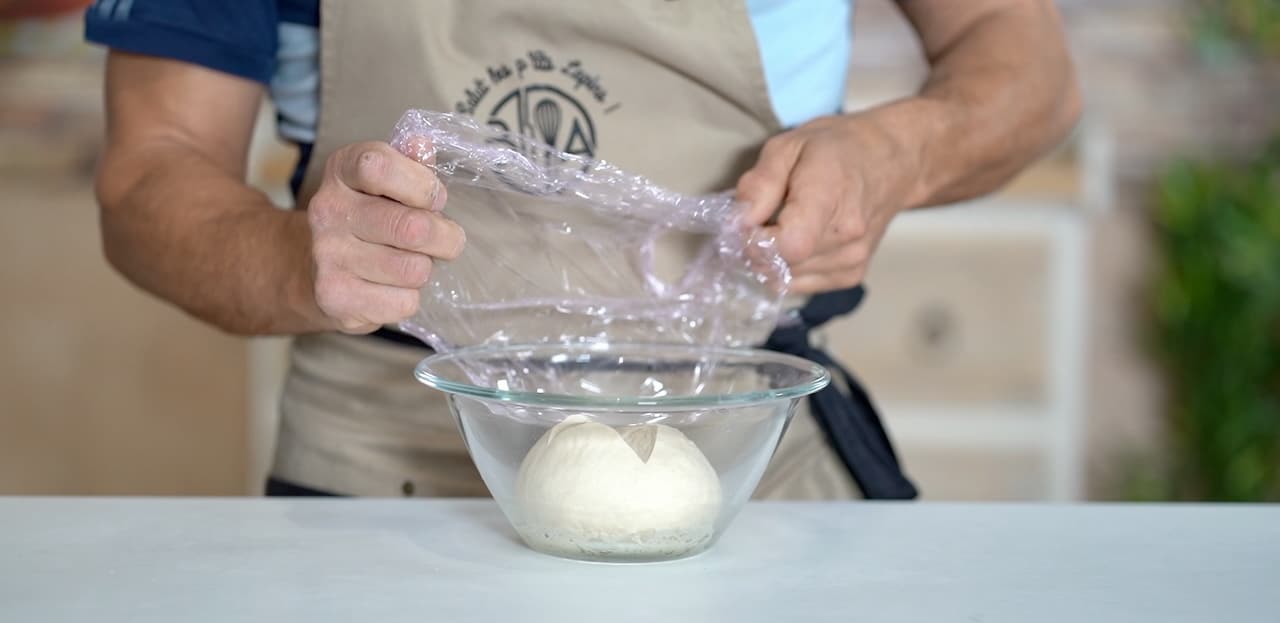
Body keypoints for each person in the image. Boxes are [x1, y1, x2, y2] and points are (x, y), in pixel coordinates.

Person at [85, 0, 1081, 500]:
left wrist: (895, 153)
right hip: (379, 469)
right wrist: (292, 260)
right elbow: (150, 173)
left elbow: (1024, 59)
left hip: (741, 466)